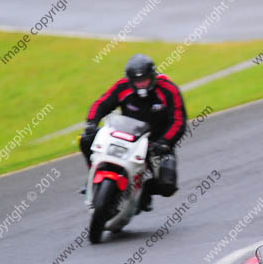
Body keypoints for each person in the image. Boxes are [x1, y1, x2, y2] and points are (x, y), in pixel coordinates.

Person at [79, 54, 186, 212]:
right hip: (128, 135)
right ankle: (92, 178)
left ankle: (146, 191)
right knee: (86, 139)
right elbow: (102, 103)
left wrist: (165, 142)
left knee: (167, 186)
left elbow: (178, 120)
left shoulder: (168, 89)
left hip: (157, 142)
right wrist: (91, 123)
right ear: (130, 80)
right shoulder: (122, 87)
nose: (141, 84)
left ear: (152, 76)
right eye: (137, 81)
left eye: (145, 80)